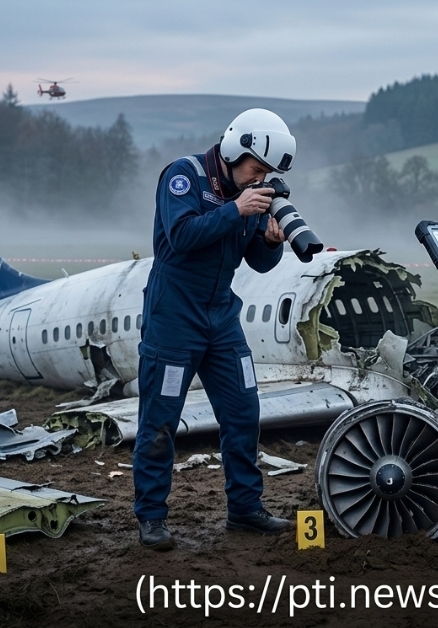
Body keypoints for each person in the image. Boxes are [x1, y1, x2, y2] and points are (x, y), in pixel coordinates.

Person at [133, 108, 295, 551]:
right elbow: (181, 236)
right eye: (256, 169)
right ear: (233, 151)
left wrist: (269, 240)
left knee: (244, 412)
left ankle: (245, 509)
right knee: (161, 420)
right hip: (173, 319)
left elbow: (258, 262)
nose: (260, 179)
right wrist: (236, 209)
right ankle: (151, 517)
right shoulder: (183, 177)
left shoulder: (251, 195)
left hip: (221, 318)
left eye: (266, 174)